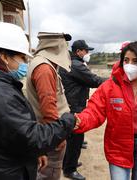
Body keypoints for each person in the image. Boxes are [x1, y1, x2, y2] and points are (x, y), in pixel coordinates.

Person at [0, 22, 75, 180]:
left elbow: (12, 133)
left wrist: (31, 155)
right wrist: (67, 120)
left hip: (9, 165)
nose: (24, 63)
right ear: (4, 56)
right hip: (5, 173)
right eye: (21, 57)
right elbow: (30, 139)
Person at [73, 41, 137, 180]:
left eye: (135, 61)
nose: (130, 65)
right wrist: (81, 121)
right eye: (126, 60)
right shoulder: (111, 86)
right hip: (118, 143)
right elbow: (94, 110)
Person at [26, 32, 72, 180]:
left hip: (48, 131)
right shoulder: (44, 68)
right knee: (49, 173)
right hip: (50, 134)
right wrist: (57, 136)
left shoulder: (42, 63)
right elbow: (48, 105)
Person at [59, 40, 106, 180]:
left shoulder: (70, 62)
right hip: (75, 106)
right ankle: (70, 169)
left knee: (70, 137)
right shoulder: (76, 65)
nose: (88, 53)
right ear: (79, 51)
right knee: (75, 140)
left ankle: (67, 163)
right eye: (86, 51)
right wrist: (114, 80)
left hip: (71, 103)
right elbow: (94, 80)